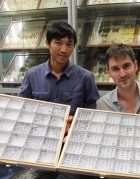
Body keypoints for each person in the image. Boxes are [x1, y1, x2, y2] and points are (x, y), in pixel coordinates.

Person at [18, 21, 100, 179]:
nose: (64, 49)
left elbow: (94, 109)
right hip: (40, 150)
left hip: (74, 148)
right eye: (58, 43)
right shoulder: (32, 75)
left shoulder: (85, 77)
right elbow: (22, 112)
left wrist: (78, 121)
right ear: (48, 43)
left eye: (69, 44)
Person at [96, 44, 140, 179]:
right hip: (119, 173)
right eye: (115, 69)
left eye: (126, 66)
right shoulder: (102, 104)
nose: (122, 74)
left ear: (136, 65)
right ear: (108, 72)